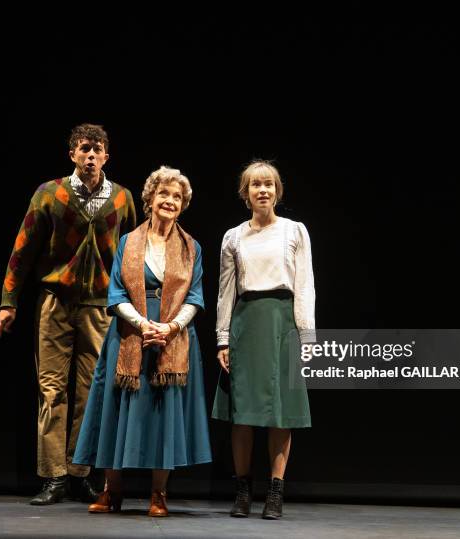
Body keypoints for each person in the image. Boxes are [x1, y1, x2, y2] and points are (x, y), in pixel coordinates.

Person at [0, 124, 136, 505]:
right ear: (72, 154)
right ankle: (53, 476)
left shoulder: (122, 198)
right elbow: (23, 249)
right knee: (52, 389)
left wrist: (135, 309)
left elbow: (132, 256)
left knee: (91, 393)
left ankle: (80, 472)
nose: (91, 156)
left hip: (100, 307)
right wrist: (9, 301)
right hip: (55, 302)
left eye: (97, 150)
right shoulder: (50, 193)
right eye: (84, 149)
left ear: (107, 155)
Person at [73, 166, 211, 517]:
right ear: (150, 199)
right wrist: (143, 323)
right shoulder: (128, 242)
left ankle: (158, 495)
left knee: (163, 415)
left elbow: (195, 298)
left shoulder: (191, 247)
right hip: (130, 333)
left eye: (177, 197)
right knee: (115, 410)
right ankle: (111, 491)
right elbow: (116, 293)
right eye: (164, 194)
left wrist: (169, 329)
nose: (170, 201)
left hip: (172, 340)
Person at [212, 160, 315, 520]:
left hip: (282, 322)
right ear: (246, 193)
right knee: (242, 414)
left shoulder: (294, 231)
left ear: (277, 191)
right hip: (246, 322)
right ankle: (243, 491)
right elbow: (226, 291)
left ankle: (275, 492)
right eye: (256, 185)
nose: (263, 190)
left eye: (269, 184)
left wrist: (307, 337)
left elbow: (304, 285)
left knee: (280, 414)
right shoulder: (234, 237)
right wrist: (223, 339)